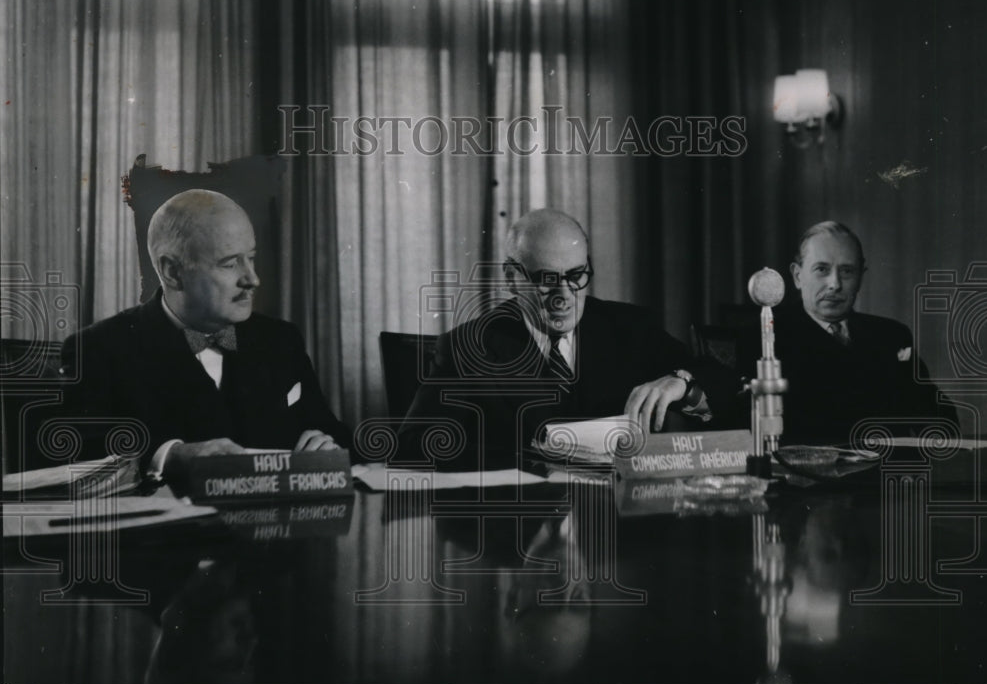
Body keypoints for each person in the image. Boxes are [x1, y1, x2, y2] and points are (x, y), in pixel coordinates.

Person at [398, 208, 736, 470]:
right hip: (521, 538)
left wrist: (684, 384)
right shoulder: (466, 348)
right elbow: (414, 448)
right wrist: (532, 460)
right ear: (513, 279)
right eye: (546, 280)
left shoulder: (630, 327)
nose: (564, 296)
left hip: (621, 536)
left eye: (576, 276)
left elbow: (727, 387)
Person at [58, 189, 351, 480]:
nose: (252, 279)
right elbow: (69, 455)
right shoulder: (98, 349)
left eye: (251, 258)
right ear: (172, 271)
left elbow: (330, 431)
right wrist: (168, 457)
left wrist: (327, 446)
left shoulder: (280, 340)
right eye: (230, 263)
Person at [738, 220, 955, 443]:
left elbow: (940, 418)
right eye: (822, 269)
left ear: (861, 276)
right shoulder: (766, 338)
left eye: (847, 271)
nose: (835, 284)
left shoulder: (891, 335)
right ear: (797, 276)